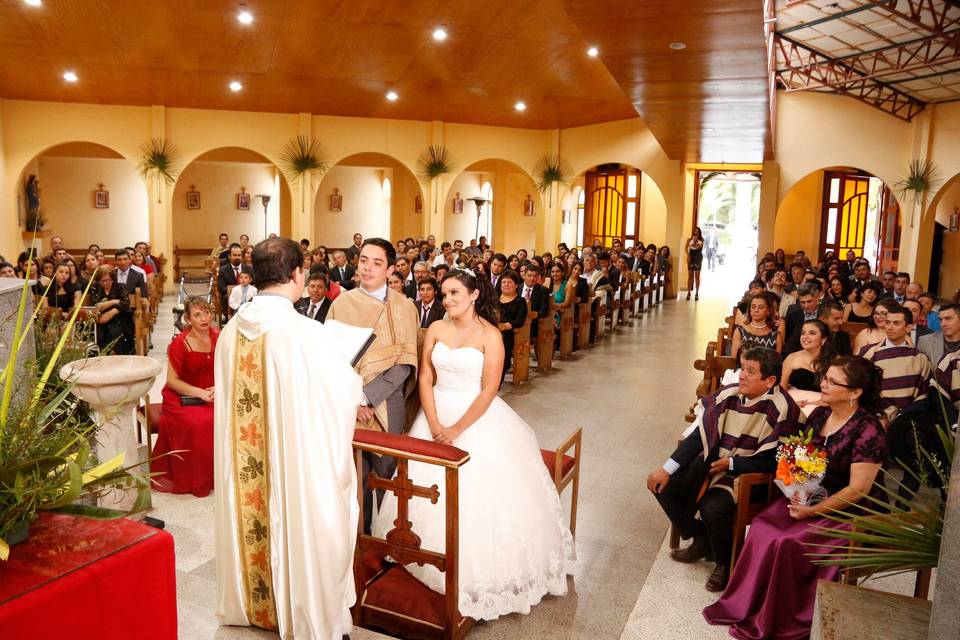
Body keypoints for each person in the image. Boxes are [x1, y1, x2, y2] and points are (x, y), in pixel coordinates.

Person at [371, 268, 576, 620]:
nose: (448, 300)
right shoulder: (436, 328)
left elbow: (489, 389)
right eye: (445, 294)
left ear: (474, 295)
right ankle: (419, 550)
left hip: (475, 416)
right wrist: (434, 422)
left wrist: (455, 428)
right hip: (435, 412)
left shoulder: (490, 335)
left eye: (454, 294)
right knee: (422, 487)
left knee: (480, 492)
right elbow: (425, 376)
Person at [215, 237, 363, 638]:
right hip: (290, 463)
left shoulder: (230, 331)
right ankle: (302, 608)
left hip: (251, 471)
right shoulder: (303, 332)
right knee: (309, 514)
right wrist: (353, 377)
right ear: (297, 274)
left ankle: (254, 603)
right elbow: (337, 396)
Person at [704, 356, 886, 639]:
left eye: (832, 381)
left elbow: (859, 489)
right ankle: (750, 605)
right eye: (825, 378)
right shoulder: (819, 415)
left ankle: (784, 616)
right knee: (764, 526)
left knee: (787, 541)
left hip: (848, 510)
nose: (823, 385)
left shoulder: (869, 429)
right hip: (809, 496)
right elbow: (799, 457)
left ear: (855, 392)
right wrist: (796, 487)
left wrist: (812, 510)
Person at [647, 347, 803, 591]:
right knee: (661, 486)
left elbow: (775, 460)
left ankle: (724, 564)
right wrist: (667, 469)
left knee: (712, 506)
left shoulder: (783, 408)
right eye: (742, 368)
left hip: (749, 475)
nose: (741, 375)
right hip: (714, 465)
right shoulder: (728, 394)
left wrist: (732, 464)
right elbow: (701, 435)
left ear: (770, 380)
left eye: (751, 371)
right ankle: (702, 539)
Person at [326, 238, 419, 530]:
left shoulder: (403, 306)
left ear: (391, 269)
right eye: (363, 260)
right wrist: (352, 399)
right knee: (354, 476)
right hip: (348, 404)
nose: (367, 268)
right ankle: (359, 538)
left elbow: (405, 362)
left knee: (386, 473)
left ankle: (385, 537)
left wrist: (367, 397)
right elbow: (331, 359)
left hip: (387, 402)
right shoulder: (342, 303)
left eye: (376, 263)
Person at [151, 298, 219, 497]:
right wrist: (201, 393)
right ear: (188, 319)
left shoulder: (219, 337)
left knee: (225, 417)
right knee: (198, 422)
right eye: (197, 315)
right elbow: (172, 381)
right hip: (182, 396)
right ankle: (197, 479)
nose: (204, 318)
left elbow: (228, 368)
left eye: (206, 313)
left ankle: (220, 475)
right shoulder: (180, 343)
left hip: (213, 392)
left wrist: (217, 387)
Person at [859, 304, 931, 426]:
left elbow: (923, 393)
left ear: (908, 328)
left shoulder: (920, 358)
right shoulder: (868, 353)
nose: (890, 327)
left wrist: (903, 415)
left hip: (909, 420)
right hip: (876, 418)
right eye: (887, 322)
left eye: (896, 323)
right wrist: (882, 413)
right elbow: (865, 388)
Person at [90, 267, 134, 354]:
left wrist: (111, 312)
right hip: (101, 318)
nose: (105, 283)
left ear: (113, 279)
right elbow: (96, 306)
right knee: (99, 331)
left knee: (116, 330)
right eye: (102, 281)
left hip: (119, 317)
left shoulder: (120, 287)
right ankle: (103, 354)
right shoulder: (96, 288)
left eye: (107, 280)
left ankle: (116, 354)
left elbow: (125, 303)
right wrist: (114, 301)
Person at [781, 319, 834, 392]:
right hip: (795, 400)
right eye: (802, 333)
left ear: (824, 338)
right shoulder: (791, 358)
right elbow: (781, 389)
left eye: (812, 333)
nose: (805, 336)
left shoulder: (834, 360)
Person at [497, 270, 527, 382]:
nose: (506, 285)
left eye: (509, 282)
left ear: (516, 285)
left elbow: (519, 321)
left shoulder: (520, 301)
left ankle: (497, 382)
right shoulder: (495, 300)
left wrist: (505, 326)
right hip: (492, 332)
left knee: (502, 351)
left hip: (509, 334)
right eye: (503, 282)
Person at [217, 243, 252, 321]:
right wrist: (237, 291)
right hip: (231, 297)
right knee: (226, 297)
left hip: (247, 296)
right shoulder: (223, 270)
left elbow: (254, 285)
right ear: (229, 256)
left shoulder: (248, 269)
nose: (237, 257)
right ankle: (230, 319)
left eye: (239, 255)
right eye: (234, 255)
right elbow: (221, 288)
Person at [686, 227, 704, 300]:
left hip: (698, 258)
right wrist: (688, 255)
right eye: (695, 232)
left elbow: (698, 247)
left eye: (697, 232)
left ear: (699, 233)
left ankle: (697, 293)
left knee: (697, 276)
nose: (696, 233)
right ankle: (689, 292)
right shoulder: (689, 240)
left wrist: (694, 241)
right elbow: (686, 247)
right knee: (690, 276)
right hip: (691, 258)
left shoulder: (701, 240)